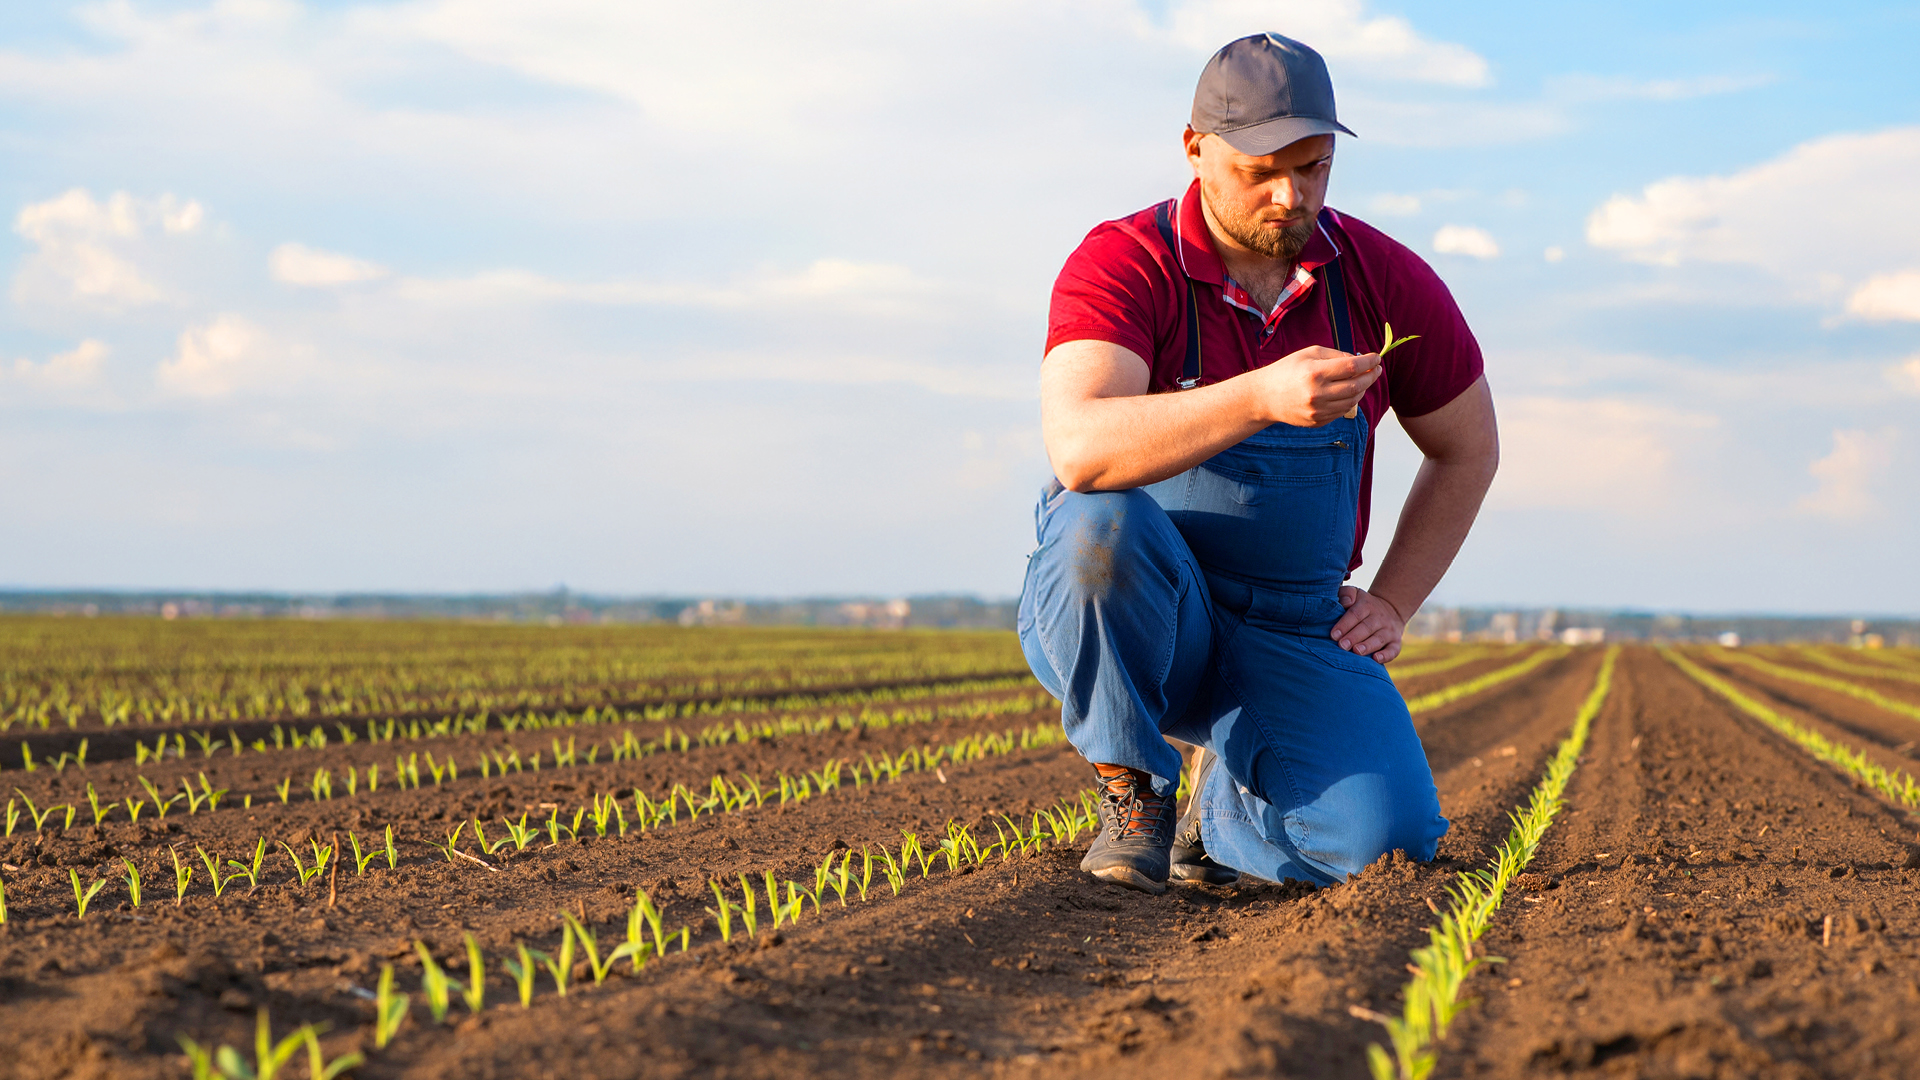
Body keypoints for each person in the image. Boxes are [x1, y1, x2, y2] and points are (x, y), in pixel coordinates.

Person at [1017, 33, 1499, 894]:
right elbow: (1083, 446)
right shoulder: (1129, 262)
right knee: (1098, 526)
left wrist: (1393, 599)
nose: (1292, 195)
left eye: (1314, 167)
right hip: (1154, 616)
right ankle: (1134, 790)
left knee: (1385, 848)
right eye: (1263, 170)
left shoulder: (1380, 280)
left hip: (1292, 624)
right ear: (1196, 149)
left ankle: (1228, 812)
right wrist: (1257, 398)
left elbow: (1468, 448)